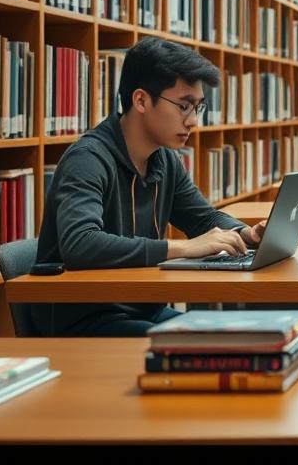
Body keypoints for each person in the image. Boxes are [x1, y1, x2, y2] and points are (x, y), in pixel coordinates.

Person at [30, 37, 267, 337]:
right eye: (184, 106)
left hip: (141, 310)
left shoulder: (164, 159)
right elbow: (80, 244)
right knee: (204, 349)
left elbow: (202, 218)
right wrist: (182, 247)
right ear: (141, 100)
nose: (193, 120)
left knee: (236, 340)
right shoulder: (87, 159)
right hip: (84, 320)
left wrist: (245, 233)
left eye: (198, 107)